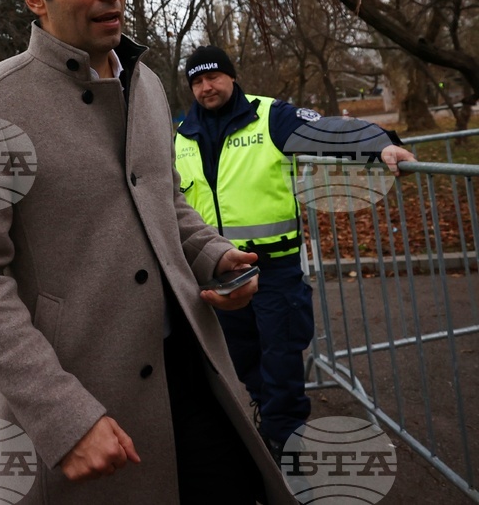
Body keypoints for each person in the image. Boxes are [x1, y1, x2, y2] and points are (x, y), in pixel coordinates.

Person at [0, 0, 294, 504]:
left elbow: (165, 198)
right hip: (89, 400)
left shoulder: (147, 83)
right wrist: (63, 415)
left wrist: (211, 253)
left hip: (200, 378)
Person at [174, 45, 416, 461]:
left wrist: (381, 144)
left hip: (275, 267)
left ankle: (286, 440)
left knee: (281, 353)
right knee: (243, 353)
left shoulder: (269, 115)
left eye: (213, 77)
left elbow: (328, 131)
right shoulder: (179, 133)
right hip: (218, 269)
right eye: (197, 81)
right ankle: (268, 415)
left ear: (231, 77)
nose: (206, 87)